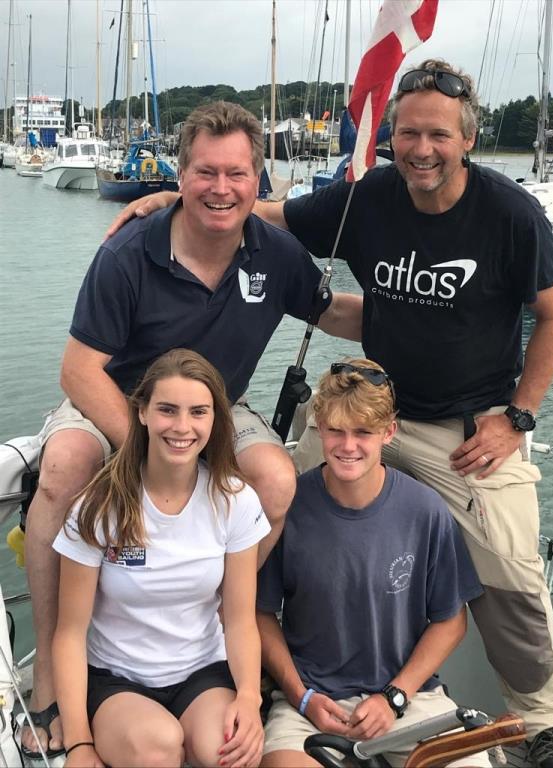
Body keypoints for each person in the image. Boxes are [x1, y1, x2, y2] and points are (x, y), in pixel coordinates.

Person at [108, 61, 553, 768]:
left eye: (438, 135)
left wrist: (518, 416)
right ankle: (239, 666)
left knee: (508, 563)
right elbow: (269, 213)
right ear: (390, 136)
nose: (421, 148)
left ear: (468, 139)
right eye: (407, 133)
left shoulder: (510, 213)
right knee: (268, 501)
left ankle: (544, 722)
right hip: (366, 409)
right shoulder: (369, 199)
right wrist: (175, 198)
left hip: (464, 428)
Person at [21, 100, 362, 758]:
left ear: (258, 179)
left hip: (214, 406)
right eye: (206, 172)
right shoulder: (129, 252)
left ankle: (206, 627)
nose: (221, 188)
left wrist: (421, 320)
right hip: (119, 397)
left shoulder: (276, 253)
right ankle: (50, 686)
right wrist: (148, 451)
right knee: (63, 469)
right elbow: (77, 371)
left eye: (237, 174)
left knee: (275, 479)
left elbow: (331, 314)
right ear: (180, 175)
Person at [256, 359, 489, 768]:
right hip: (309, 703)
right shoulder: (287, 507)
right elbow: (259, 613)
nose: (348, 447)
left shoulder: (426, 511)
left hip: (408, 700)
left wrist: (394, 697)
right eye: (336, 431)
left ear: (389, 432)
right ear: (318, 427)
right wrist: (301, 696)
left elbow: (451, 620)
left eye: (363, 432)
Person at [52, 348, 267, 768]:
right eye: (167, 409)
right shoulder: (100, 505)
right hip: (117, 679)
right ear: (143, 412)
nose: (182, 427)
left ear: (214, 419)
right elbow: (69, 634)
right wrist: (79, 743)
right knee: (159, 747)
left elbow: (240, 620)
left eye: (198, 412)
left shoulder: (235, 501)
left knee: (228, 751)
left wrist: (248, 697)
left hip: (202, 674)